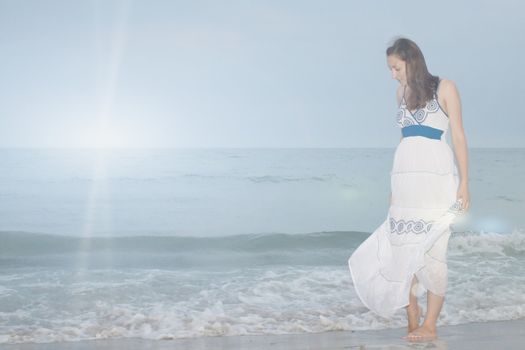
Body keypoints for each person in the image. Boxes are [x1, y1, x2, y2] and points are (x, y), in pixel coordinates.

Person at [348, 37, 470, 341]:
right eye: (390, 69)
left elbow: (458, 137)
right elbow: (404, 141)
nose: (392, 74)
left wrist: (465, 183)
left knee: (434, 253)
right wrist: (394, 185)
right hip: (405, 185)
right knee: (403, 252)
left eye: (395, 67)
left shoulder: (446, 88)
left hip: (438, 184)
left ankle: (430, 325)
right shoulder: (401, 92)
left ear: (411, 61)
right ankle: (412, 313)